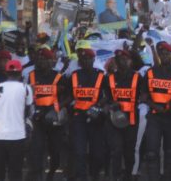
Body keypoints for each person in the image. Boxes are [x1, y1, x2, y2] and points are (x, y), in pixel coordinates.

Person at [144, 41, 171, 181]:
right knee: (152, 153)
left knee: (170, 152)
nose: (164, 56)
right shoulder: (150, 72)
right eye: (162, 54)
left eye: (167, 54)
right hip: (154, 116)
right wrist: (154, 105)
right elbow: (143, 96)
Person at [27, 48, 68, 181]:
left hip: (54, 120)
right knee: (36, 150)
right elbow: (28, 97)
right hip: (37, 120)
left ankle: (51, 173)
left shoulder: (58, 77)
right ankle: (37, 175)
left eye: (44, 59)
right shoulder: (32, 75)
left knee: (55, 151)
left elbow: (68, 97)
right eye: (39, 59)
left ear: (51, 61)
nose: (41, 61)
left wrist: (55, 109)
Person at [104, 49, 144, 181]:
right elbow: (105, 98)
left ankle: (127, 175)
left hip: (131, 121)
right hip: (113, 120)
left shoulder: (138, 78)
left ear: (130, 61)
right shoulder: (109, 78)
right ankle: (115, 176)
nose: (122, 61)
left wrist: (144, 97)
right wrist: (108, 105)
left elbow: (144, 94)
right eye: (119, 59)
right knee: (116, 149)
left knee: (129, 151)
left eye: (124, 59)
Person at [0, 60, 32, 181]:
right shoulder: (26, 88)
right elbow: (28, 109)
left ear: (6, 72)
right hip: (17, 136)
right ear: (20, 73)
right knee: (15, 173)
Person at [70, 48, 106, 181]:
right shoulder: (74, 75)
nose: (85, 61)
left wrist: (98, 106)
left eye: (88, 59)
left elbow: (107, 95)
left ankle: (95, 174)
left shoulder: (101, 75)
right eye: (83, 59)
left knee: (97, 153)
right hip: (79, 117)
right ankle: (81, 176)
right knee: (79, 151)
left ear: (93, 60)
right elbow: (69, 96)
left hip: (96, 118)